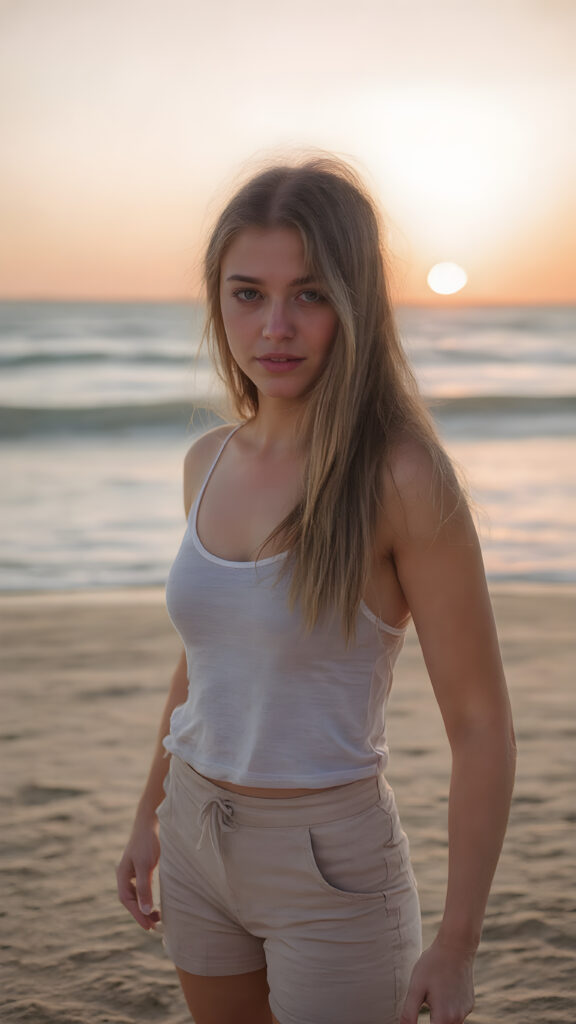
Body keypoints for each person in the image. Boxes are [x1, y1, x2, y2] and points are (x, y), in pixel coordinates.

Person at [116, 156, 516, 1024]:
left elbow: (481, 724)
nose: (276, 327)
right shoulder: (206, 460)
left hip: (330, 865)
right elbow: (203, 667)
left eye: (312, 294)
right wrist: (150, 813)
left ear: (356, 304)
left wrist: (457, 943)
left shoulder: (403, 478)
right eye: (248, 294)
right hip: (193, 832)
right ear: (217, 302)